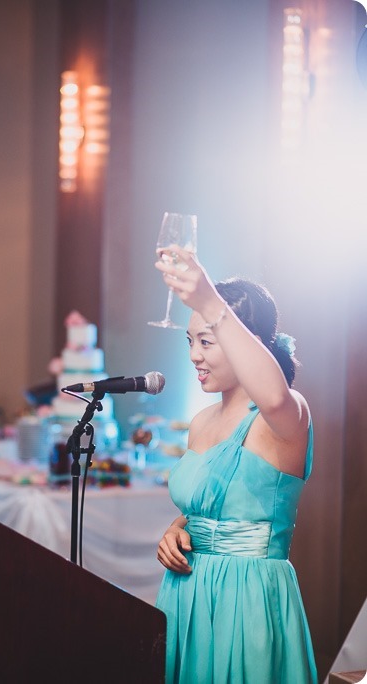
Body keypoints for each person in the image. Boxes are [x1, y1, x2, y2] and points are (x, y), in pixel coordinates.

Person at [154, 245, 318, 684]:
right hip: (186, 595)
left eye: (206, 341)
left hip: (247, 600)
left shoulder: (284, 416)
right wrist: (179, 528)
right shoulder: (201, 421)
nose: (194, 356)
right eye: (190, 341)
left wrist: (209, 298)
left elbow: (275, 394)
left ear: (248, 343)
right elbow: (211, 505)